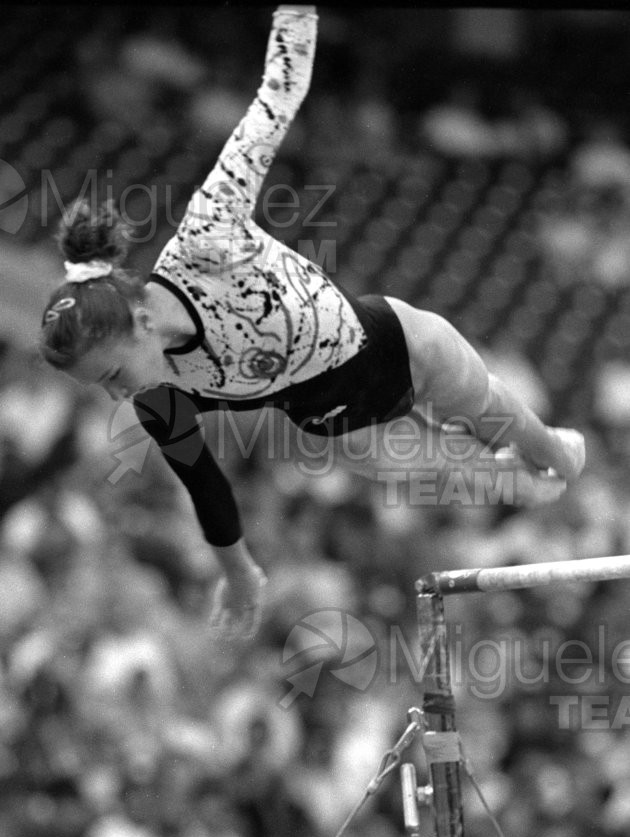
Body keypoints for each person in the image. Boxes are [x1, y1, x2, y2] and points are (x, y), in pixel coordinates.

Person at [39, 5, 585, 637]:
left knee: (523, 436)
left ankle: (553, 457)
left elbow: (277, 94)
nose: (116, 395)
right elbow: (205, 485)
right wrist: (240, 572)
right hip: (341, 427)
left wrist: (293, 13)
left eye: (109, 374)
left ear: (137, 321)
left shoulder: (205, 237)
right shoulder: (159, 394)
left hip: (404, 348)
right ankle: (517, 486)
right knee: (438, 470)